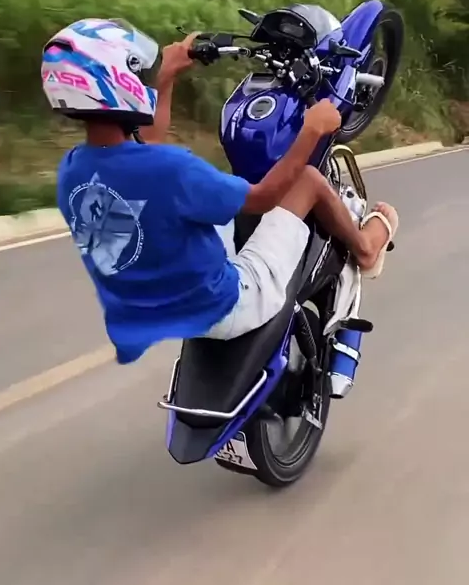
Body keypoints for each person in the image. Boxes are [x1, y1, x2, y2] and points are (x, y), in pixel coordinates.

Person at [43, 18, 398, 365]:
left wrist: (167, 78)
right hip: (227, 306)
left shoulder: (73, 170)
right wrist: (311, 130)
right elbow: (262, 197)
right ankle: (365, 249)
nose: (145, 77)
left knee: (206, 206)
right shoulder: (174, 171)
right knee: (306, 179)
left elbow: (145, 151)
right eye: (138, 72)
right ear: (119, 83)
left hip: (148, 309)